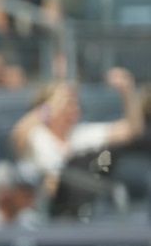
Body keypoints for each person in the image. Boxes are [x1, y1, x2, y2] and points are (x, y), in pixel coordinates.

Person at [11, 67, 145, 194]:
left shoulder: (80, 134)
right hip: (38, 208)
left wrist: (127, 92)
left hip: (77, 205)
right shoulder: (36, 135)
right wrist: (50, 107)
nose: (73, 108)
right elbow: (18, 135)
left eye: (76, 103)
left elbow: (132, 130)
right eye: (67, 102)